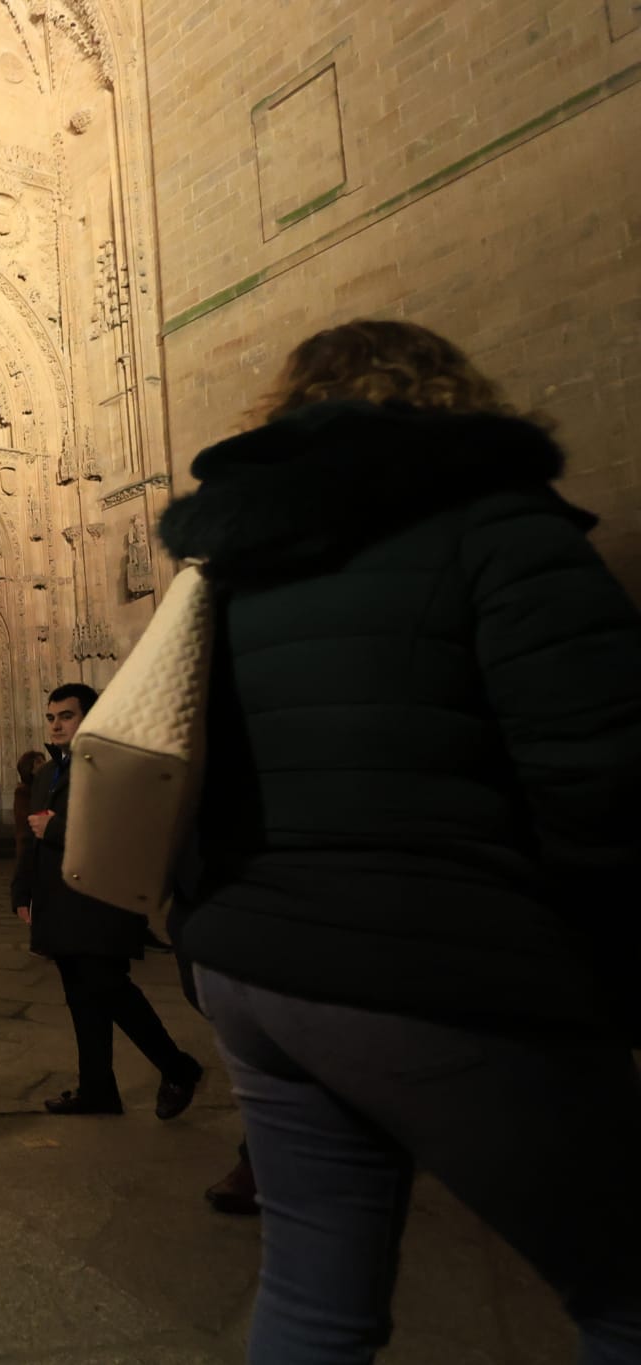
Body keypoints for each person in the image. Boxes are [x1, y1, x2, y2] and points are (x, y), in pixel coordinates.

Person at [160, 319, 641, 1362]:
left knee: (312, 1292)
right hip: (439, 961)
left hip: (255, 971)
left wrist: (203, 922)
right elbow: (602, 772)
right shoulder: (499, 526)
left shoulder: (235, 562)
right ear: (448, 393)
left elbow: (182, 756)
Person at [12, 685, 203, 1118]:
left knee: (111, 991)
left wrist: (57, 830)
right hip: (58, 901)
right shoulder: (45, 776)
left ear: (91, 717)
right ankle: (97, 1088)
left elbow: (129, 833)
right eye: (51, 717)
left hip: (101, 900)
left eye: (66, 716)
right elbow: (30, 840)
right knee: (81, 997)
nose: (56, 724)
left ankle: (178, 1067)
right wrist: (21, 892)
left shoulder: (113, 767)